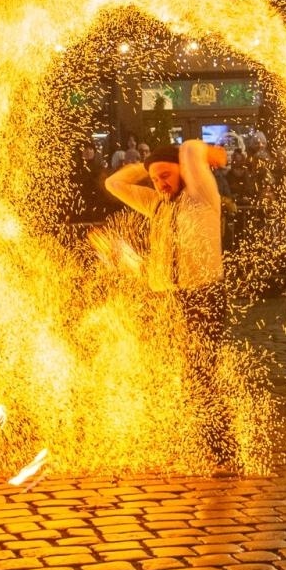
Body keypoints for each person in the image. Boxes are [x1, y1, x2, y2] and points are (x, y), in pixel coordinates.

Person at [104, 140, 236, 466]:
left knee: (199, 374)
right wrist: (149, 164)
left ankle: (225, 453)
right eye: (154, 179)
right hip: (166, 299)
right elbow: (114, 183)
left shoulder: (201, 196)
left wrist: (195, 156)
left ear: (184, 170)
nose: (160, 183)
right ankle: (188, 443)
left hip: (201, 297)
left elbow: (191, 147)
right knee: (171, 373)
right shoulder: (156, 204)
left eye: (166, 175)